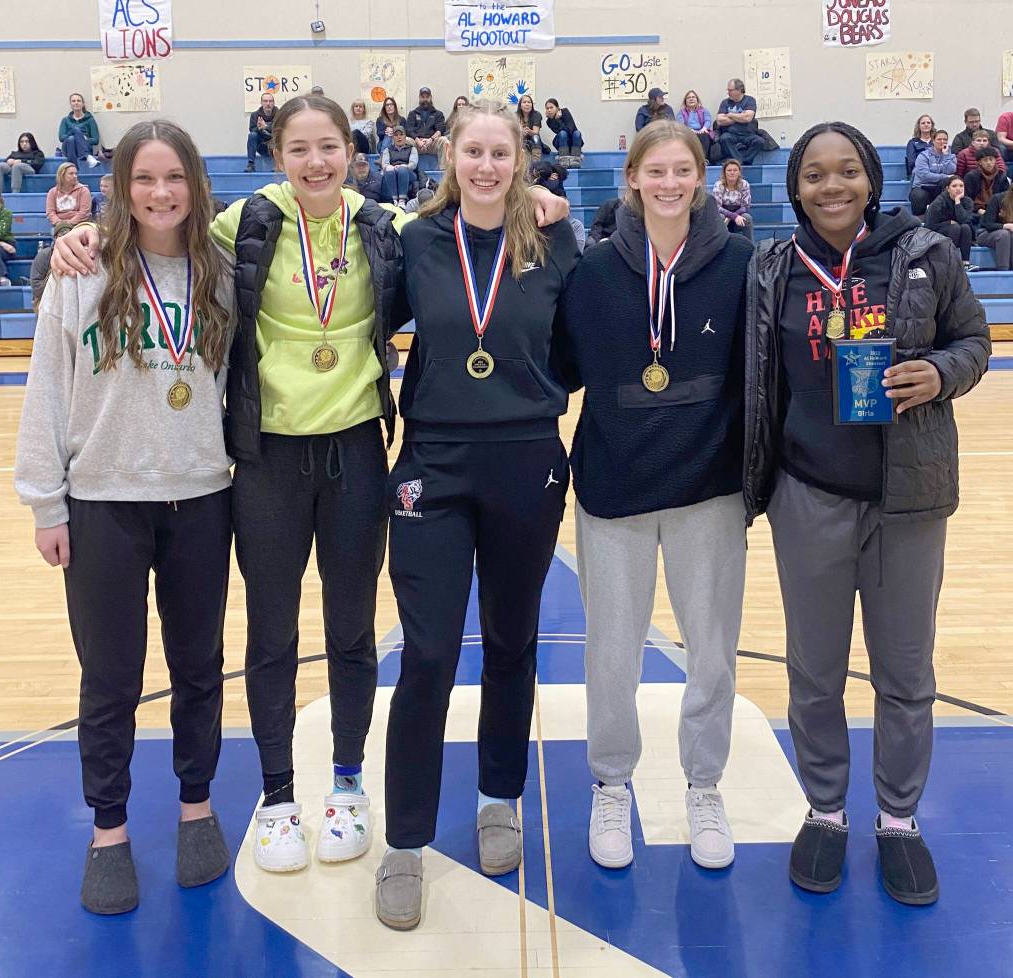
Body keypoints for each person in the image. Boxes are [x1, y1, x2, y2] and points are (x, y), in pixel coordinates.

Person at [49, 100, 569, 884]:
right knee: (271, 635)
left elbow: (472, 224)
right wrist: (86, 233)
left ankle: (348, 788)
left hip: (356, 449)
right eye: (299, 148)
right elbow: (162, 230)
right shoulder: (243, 225)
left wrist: (534, 196)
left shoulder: (384, 227)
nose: (316, 161)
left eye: (329, 146)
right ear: (277, 154)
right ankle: (279, 796)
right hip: (267, 456)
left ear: (352, 152)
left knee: (352, 631)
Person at [744, 120, 989, 907]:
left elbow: (975, 341)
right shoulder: (773, 267)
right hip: (807, 495)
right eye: (814, 174)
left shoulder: (927, 253)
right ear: (796, 188)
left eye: (847, 170)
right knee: (814, 672)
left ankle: (898, 820)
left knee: (905, 673)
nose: (832, 186)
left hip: (908, 501)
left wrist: (941, 373)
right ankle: (825, 810)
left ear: (871, 180)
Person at [15, 118, 236, 916]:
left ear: (194, 184)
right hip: (103, 500)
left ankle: (196, 807)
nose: (160, 192)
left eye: (173, 177)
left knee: (199, 667)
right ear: (120, 186)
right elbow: (47, 387)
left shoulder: (220, 275)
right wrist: (46, 501)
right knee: (109, 678)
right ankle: (108, 828)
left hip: (201, 497)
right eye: (144, 178)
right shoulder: (82, 270)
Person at [374, 100, 576, 932]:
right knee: (426, 656)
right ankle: (404, 842)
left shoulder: (555, 242)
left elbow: (577, 346)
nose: (487, 166)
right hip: (435, 463)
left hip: (527, 460)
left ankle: (499, 797)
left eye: (501, 153)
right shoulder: (417, 242)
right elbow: (360, 321)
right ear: (449, 157)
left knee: (511, 642)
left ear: (520, 159)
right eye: (474, 152)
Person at [558, 119, 750, 875]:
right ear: (632, 179)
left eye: (682, 170)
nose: (669, 183)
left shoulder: (741, 263)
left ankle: (705, 786)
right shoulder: (594, 270)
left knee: (712, 651)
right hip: (614, 486)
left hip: (710, 486)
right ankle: (612, 784)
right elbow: (561, 366)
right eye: (656, 171)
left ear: (700, 179)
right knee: (612, 652)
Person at [925, 175, 977, 267]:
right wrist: (948, 223)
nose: (958, 188)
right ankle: (949, 262)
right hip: (938, 233)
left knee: (965, 227)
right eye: (954, 186)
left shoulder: (967, 201)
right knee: (955, 227)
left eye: (961, 186)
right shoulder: (939, 202)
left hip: (960, 233)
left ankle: (965, 263)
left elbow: (965, 220)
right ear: (948, 189)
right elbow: (929, 226)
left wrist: (957, 202)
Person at [909, 129, 956, 216]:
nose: (942, 142)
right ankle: (920, 219)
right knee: (919, 196)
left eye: (945, 139)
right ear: (933, 141)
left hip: (939, 187)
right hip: (922, 186)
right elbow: (925, 176)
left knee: (948, 185)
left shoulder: (951, 156)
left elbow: (951, 171)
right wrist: (944, 176)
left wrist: (946, 156)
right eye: (939, 139)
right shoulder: (923, 156)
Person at [714, 79, 762, 165]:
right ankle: (739, 162)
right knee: (724, 138)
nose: (728, 93)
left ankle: (744, 161)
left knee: (760, 141)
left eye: (730, 90)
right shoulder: (725, 102)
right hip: (731, 134)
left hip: (748, 134)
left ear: (739, 90)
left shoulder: (750, 100)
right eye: (728, 90)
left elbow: (748, 118)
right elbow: (720, 121)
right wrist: (741, 116)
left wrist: (730, 114)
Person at [31, 222, 74, 308]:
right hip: (45, 298)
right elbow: (36, 285)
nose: (65, 239)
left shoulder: (78, 256)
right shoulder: (44, 255)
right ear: (55, 238)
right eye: (62, 236)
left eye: (69, 236)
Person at [405, 86, 445, 169]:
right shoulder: (413, 113)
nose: (425, 99)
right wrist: (418, 140)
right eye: (423, 97)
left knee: (444, 140)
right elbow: (409, 130)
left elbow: (440, 130)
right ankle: (408, 169)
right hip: (417, 144)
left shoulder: (438, 114)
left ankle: (443, 169)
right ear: (419, 98)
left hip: (432, 144)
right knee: (406, 140)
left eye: (427, 97)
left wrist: (431, 139)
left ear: (431, 98)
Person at [965, 147, 1010, 218]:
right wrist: (977, 209)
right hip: (976, 210)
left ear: (995, 160)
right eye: (985, 160)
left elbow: (1006, 196)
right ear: (980, 162)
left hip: (997, 209)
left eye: (991, 159)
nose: (989, 162)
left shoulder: (1001, 175)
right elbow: (967, 198)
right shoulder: (971, 176)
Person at [712, 159, 753, 239]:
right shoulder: (718, 185)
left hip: (739, 213)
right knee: (720, 218)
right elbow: (717, 207)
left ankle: (749, 245)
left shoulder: (744, 184)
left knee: (747, 218)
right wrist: (732, 216)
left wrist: (733, 216)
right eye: (729, 170)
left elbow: (745, 206)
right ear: (724, 172)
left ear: (739, 172)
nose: (732, 173)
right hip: (723, 213)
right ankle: (718, 244)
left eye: (735, 170)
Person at [58, 93, 100, 168]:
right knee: (73, 134)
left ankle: (73, 168)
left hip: (85, 146)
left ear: (83, 103)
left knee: (71, 139)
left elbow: (96, 140)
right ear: (70, 104)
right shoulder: (65, 120)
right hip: (67, 148)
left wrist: (84, 139)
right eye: (73, 101)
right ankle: (87, 156)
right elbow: (61, 137)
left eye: (78, 101)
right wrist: (76, 134)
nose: (76, 103)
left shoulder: (90, 120)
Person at [380, 126, 418, 205]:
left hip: (408, 173)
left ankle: (402, 200)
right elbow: (384, 164)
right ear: (393, 137)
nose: (399, 137)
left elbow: (413, 164)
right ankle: (394, 199)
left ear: (405, 136)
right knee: (389, 171)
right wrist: (389, 167)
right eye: (396, 135)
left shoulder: (412, 149)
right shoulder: (387, 150)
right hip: (393, 172)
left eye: (401, 134)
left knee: (402, 170)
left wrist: (405, 166)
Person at [46, 163, 92, 227]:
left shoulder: (83, 190)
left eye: (76, 174)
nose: (75, 176)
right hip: (59, 225)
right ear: (62, 175)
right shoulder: (52, 192)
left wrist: (69, 223)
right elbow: (50, 212)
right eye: (71, 174)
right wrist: (59, 223)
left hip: (79, 224)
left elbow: (84, 212)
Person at [979, 186, 1013, 270]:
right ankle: (1003, 270)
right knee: (1004, 234)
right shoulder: (997, 199)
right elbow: (988, 224)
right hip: (987, 234)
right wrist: (1005, 226)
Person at [676, 90, 715, 159]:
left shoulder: (704, 110)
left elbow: (708, 121)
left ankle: (703, 159)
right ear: (685, 101)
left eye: (693, 97)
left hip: (702, 131)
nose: (691, 99)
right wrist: (690, 130)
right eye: (689, 97)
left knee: (704, 136)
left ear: (697, 100)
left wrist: (704, 128)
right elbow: (681, 124)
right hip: (688, 132)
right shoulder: (681, 112)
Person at [245, 92, 277, 172]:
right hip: (262, 147)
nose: (268, 104)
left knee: (282, 137)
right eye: (265, 101)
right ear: (261, 103)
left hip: (275, 147)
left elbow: (281, 129)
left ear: (273, 103)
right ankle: (251, 164)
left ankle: (279, 165)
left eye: (270, 101)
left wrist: (266, 126)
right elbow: (252, 130)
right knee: (252, 135)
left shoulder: (279, 114)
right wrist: (259, 128)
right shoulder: (255, 115)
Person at [515, 94, 543, 160]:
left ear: (532, 105)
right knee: (516, 138)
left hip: (533, 140)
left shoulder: (537, 114)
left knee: (535, 137)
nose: (527, 104)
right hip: (521, 140)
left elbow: (536, 132)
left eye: (529, 102)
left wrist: (529, 131)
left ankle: (536, 161)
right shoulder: (515, 115)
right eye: (524, 102)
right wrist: (522, 132)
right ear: (520, 105)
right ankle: (519, 160)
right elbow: (514, 132)